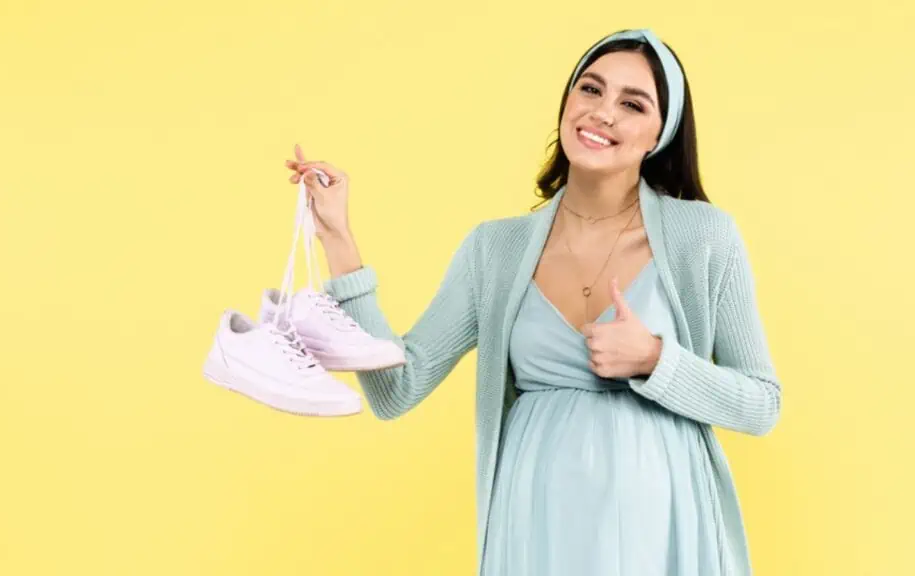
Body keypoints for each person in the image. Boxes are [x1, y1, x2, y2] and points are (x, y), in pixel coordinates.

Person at [285, 28, 781, 576]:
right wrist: (338, 237)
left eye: (632, 103)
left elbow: (761, 404)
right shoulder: (495, 249)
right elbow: (395, 390)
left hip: (663, 528)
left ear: (659, 134)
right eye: (590, 90)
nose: (603, 113)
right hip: (536, 525)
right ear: (567, 102)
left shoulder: (704, 237)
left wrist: (656, 360)